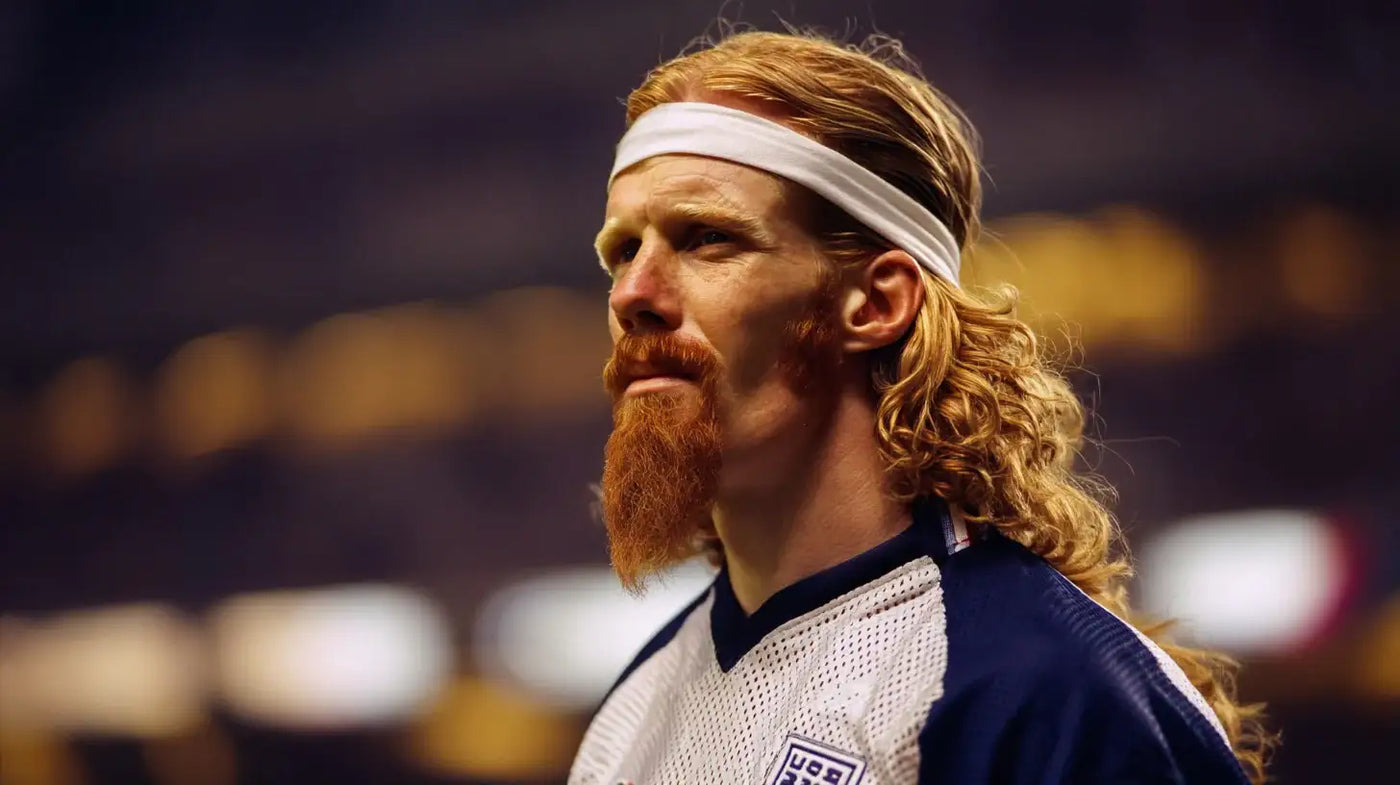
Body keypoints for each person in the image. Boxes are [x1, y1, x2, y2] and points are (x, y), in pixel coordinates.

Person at [574, 29, 1272, 785]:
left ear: (875, 302)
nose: (632, 294)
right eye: (621, 251)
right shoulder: (629, 717)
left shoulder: (1047, 691)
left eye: (707, 238)